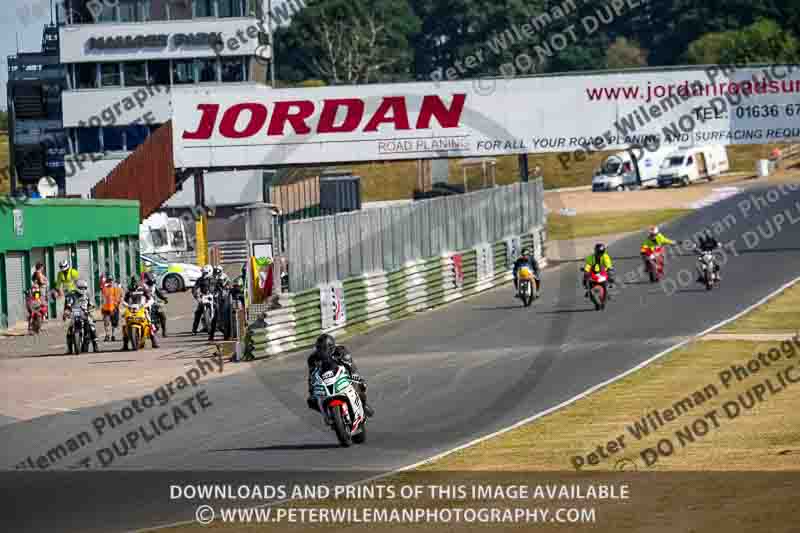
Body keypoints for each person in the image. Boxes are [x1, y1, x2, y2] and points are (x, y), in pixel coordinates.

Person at [306, 333, 374, 418]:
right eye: (320, 348)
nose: (322, 351)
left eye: (324, 348)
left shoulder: (341, 350)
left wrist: (355, 376)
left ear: (331, 347)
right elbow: (311, 375)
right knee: (311, 401)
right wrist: (311, 390)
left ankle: (363, 405)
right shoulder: (312, 358)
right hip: (325, 379)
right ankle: (328, 414)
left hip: (343, 374)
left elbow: (351, 365)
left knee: (361, 386)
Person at [142, 271, 169, 337]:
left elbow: (158, 293)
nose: (151, 279)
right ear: (146, 279)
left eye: (151, 278)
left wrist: (164, 298)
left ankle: (164, 331)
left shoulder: (154, 286)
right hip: (145, 304)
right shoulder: (143, 286)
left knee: (162, 315)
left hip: (154, 303)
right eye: (149, 278)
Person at [192, 265, 216, 338]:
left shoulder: (215, 279)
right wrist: (197, 297)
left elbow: (221, 287)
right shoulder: (200, 279)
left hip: (214, 297)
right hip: (204, 297)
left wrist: (219, 293)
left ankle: (224, 327)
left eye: (205, 273)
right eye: (203, 272)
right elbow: (194, 288)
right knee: (198, 312)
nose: (203, 274)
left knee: (221, 309)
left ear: (209, 272)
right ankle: (194, 329)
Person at [100, 275, 123, 342]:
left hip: (114, 308)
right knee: (106, 322)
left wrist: (117, 304)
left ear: (113, 281)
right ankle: (107, 335)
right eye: (109, 280)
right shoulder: (105, 288)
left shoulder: (117, 288)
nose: (110, 282)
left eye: (111, 280)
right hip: (106, 308)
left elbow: (120, 296)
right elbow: (101, 288)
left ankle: (113, 335)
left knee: (114, 323)